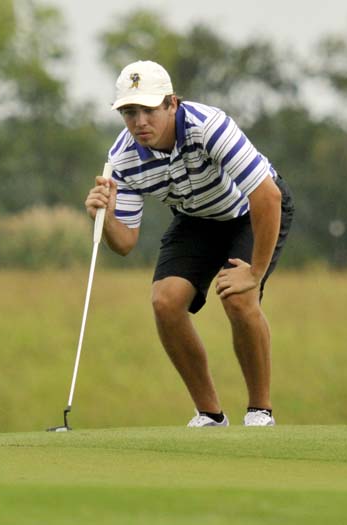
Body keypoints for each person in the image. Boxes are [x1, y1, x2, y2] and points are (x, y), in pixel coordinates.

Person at [85, 60, 294, 427]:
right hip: (197, 218)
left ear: (172, 104)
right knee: (165, 302)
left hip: (251, 210)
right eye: (129, 112)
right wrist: (105, 217)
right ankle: (210, 415)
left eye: (149, 110)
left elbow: (267, 196)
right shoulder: (122, 159)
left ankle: (260, 412)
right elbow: (125, 243)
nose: (139, 122)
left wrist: (255, 273)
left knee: (239, 296)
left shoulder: (208, 126)